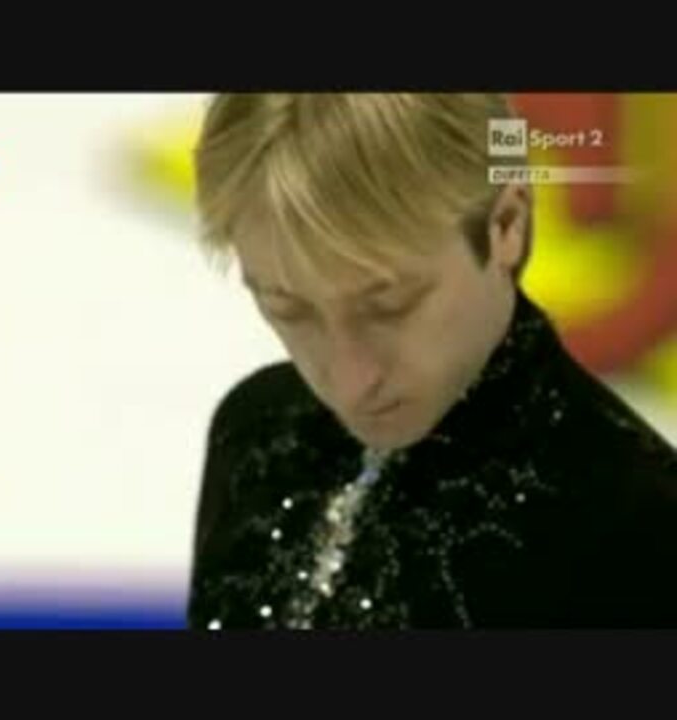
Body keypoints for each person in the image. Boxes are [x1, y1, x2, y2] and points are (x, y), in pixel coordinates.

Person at [186, 93, 677, 630]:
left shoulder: (640, 522)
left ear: (506, 223)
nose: (351, 383)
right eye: (289, 310)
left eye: (389, 306)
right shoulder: (255, 433)